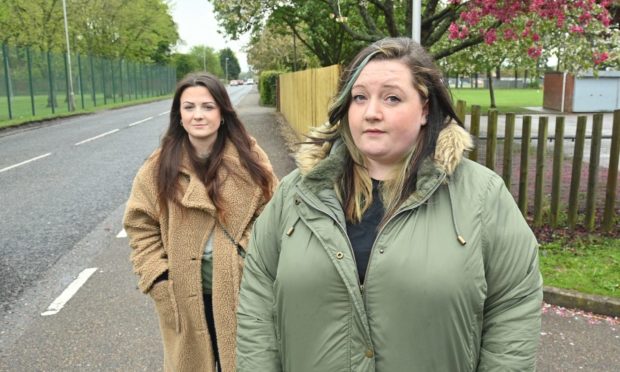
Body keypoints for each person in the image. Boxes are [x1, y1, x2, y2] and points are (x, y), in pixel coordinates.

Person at [236, 37, 543, 371]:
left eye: (392, 98)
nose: (371, 113)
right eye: (360, 98)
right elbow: (258, 299)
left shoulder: (481, 196)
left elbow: (513, 306)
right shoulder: (296, 194)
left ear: (425, 109)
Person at [123, 72, 277, 372]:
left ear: (222, 112)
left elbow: (273, 215)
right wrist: (157, 277)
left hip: (241, 289)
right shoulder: (158, 167)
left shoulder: (250, 158)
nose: (198, 115)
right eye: (189, 107)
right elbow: (140, 224)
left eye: (208, 106)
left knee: (248, 364)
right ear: (178, 116)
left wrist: (245, 257)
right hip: (182, 294)